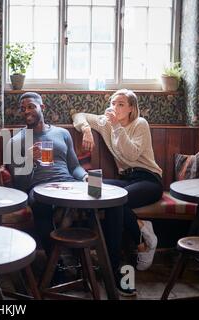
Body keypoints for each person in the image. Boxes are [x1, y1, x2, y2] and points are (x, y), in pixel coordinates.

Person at [6, 92, 129, 295]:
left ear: (42, 108)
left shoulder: (62, 133)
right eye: (23, 108)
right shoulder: (17, 141)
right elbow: (20, 185)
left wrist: (85, 178)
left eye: (31, 106)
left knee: (113, 204)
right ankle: (57, 267)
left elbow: (74, 167)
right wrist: (29, 161)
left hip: (70, 186)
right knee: (38, 204)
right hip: (40, 189)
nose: (26, 111)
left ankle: (113, 266)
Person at [72, 89, 161, 272]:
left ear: (130, 108)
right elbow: (79, 115)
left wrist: (116, 127)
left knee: (116, 203)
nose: (115, 107)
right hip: (126, 179)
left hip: (148, 178)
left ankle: (128, 252)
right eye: (113, 103)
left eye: (120, 104)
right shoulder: (106, 123)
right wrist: (87, 130)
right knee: (92, 187)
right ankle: (141, 226)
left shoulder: (140, 124)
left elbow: (131, 154)